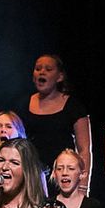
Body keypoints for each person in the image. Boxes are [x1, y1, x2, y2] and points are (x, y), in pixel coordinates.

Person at [24, 54, 91, 187]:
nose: (42, 72)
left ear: (60, 77)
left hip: (63, 178)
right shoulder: (23, 104)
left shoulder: (73, 106)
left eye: (48, 69)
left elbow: (84, 149)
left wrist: (83, 185)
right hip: (32, 178)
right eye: (38, 68)